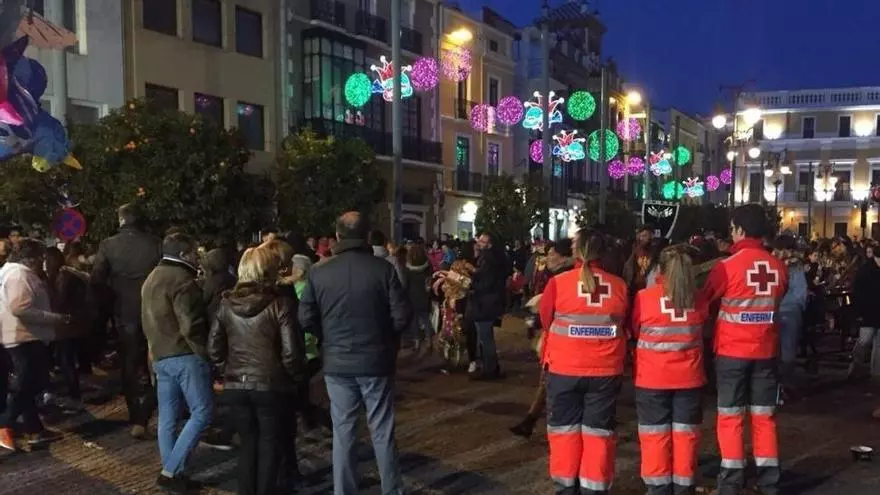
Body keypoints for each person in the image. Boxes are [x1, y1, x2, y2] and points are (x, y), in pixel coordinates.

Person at [299, 211, 411, 495]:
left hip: (337, 362)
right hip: (376, 360)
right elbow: (401, 316)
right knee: (382, 431)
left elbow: (306, 317)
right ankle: (391, 490)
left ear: (337, 236)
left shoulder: (319, 271)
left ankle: (344, 490)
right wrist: (384, 337)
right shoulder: (382, 270)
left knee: (344, 432)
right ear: (366, 235)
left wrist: (327, 337)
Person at [698, 204, 788, 495]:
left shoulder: (726, 267)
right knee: (764, 417)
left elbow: (705, 302)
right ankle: (769, 481)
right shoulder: (778, 267)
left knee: (730, 416)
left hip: (732, 353)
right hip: (766, 352)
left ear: (738, 230)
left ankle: (731, 481)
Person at [538, 229, 628, 494]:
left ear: (576, 251)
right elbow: (624, 322)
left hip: (564, 370)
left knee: (564, 433)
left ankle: (566, 488)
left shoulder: (558, 283)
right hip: (605, 372)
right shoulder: (619, 286)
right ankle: (594, 488)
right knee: (598, 435)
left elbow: (546, 320)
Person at [209, 246, 305, 495]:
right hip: (270, 384)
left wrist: (228, 371)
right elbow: (291, 353)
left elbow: (214, 348)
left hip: (237, 384)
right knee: (269, 446)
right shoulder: (281, 304)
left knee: (248, 445)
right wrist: (294, 379)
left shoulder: (226, 304)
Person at [630, 245, 706, 495]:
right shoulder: (699, 299)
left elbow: (634, 329)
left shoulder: (645, 298)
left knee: (655, 437)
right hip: (689, 379)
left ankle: (658, 488)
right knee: (686, 437)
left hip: (652, 380)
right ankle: (684, 487)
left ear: (660, 270)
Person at [141, 233, 212, 492]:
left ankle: (171, 468)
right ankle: (171, 472)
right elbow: (191, 326)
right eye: (194, 252)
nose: (197, 257)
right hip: (185, 354)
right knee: (202, 412)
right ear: (184, 254)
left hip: (160, 354)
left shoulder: (151, 278)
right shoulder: (183, 281)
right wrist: (205, 353)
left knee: (167, 416)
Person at [90, 203, 162, 439]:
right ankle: (150, 410)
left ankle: (135, 414)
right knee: (158, 363)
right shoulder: (155, 243)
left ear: (121, 220)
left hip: (124, 312)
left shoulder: (108, 245)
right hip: (154, 310)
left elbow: (97, 281)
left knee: (129, 364)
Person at [0, 239, 69, 450]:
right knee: (26, 385)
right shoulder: (19, 275)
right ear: (32, 258)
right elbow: (20, 308)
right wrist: (55, 318)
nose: (43, 262)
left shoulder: (10, 273)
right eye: (41, 258)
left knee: (27, 386)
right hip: (24, 337)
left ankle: (34, 430)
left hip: (19, 336)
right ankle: (4, 425)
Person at [509, 238, 575, 439]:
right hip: (563, 339)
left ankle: (545, 423)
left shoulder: (563, 279)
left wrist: (535, 321)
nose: (547, 258)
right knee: (546, 382)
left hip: (562, 341)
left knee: (550, 382)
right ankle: (531, 420)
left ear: (563, 257)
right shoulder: (562, 275)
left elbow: (550, 310)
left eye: (552, 254)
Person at [466, 233, 507, 380]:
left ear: (489, 244)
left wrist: (469, 283)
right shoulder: (487, 258)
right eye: (479, 240)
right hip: (486, 303)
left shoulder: (488, 260)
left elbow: (486, 283)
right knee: (485, 337)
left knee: (485, 338)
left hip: (485, 304)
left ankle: (490, 370)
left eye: (483, 241)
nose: (479, 243)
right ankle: (490, 367)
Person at [851, 242, 880, 378]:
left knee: (879, 343)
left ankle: (876, 372)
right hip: (868, 310)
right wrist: (859, 310)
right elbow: (857, 290)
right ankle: (856, 363)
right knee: (865, 339)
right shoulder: (865, 269)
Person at [405, 243, 434, 352]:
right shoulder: (427, 266)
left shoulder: (408, 268)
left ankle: (416, 342)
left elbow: (405, 283)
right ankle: (429, 341)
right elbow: (430, 279)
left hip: (412, 295)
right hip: (424, 295)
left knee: (414, 320)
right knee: (426, 319)